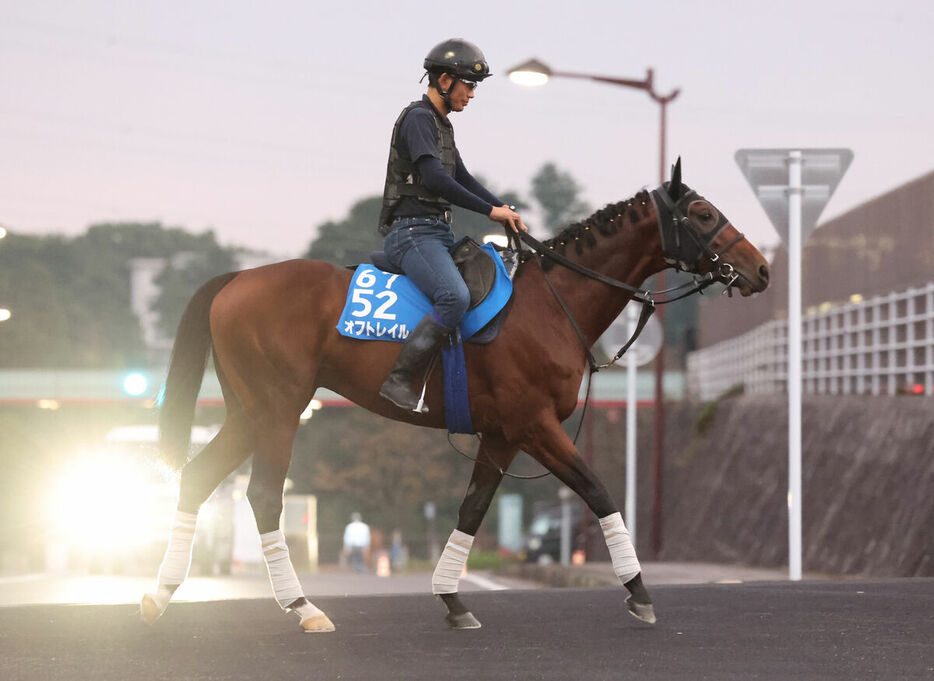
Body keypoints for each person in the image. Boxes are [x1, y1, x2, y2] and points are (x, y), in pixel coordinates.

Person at [377, 38, 528, 412]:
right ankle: (397, 381)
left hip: (436, 234)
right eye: (470, 84)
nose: (473, 95)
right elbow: (437, 180)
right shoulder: (417, 119)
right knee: (454, 297)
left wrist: (500, 206)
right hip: (411, 234)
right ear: (445, 80)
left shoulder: (440, 124)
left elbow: (461, 176)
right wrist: (490, 213)